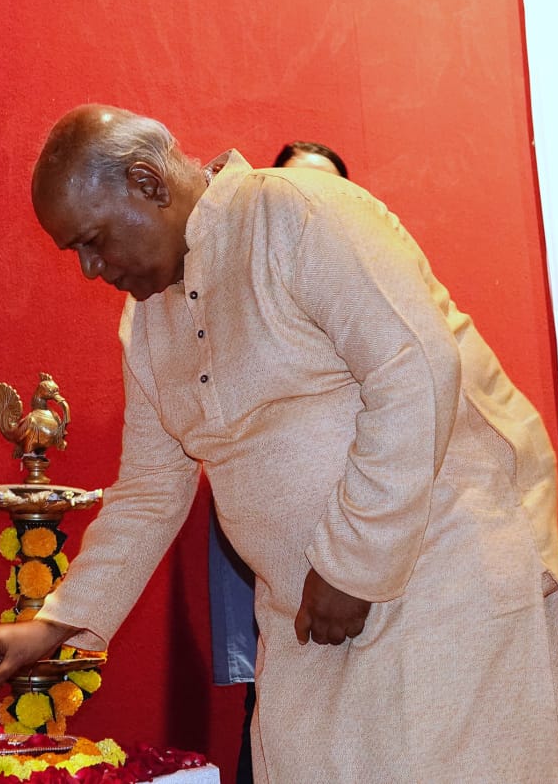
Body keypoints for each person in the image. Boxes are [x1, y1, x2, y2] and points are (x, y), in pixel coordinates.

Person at [0, 105, 558, 781]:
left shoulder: (298, 213)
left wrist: (353, 563)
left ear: (148, 182)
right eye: (76, 252)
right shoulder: (145, 326)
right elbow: (150, 492)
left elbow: (414, 369)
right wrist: (56, 622)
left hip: (441, 581)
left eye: (93, 240)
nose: (91, 268)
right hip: (306, 615)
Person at [207, 140, 350, 784]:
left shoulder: (368, 286)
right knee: (275, 707)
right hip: (272, 560)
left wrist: (354, 561)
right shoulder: (231, 296)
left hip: (366, 562)